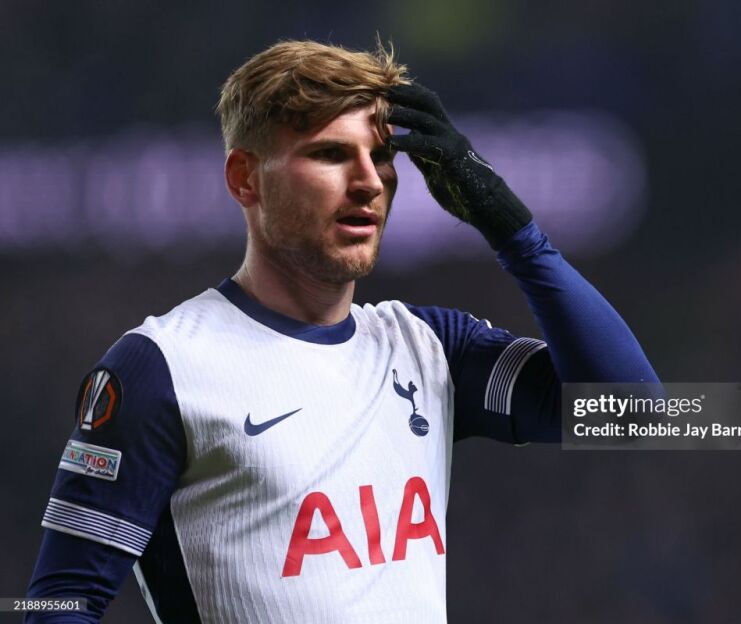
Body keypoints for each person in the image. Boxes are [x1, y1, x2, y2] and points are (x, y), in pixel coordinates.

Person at [25, 39, 657, 623]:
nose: (369, 181)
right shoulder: (160, 369)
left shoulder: (429, 349)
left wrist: (514, 229)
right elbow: (56, 604)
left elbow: (641, 416)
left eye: (381, 156)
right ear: (245, 178)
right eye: (330, 154)